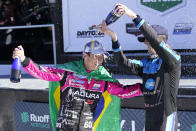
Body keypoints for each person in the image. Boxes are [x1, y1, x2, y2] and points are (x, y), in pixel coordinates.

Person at [12, 40, 143, 131]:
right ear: (85, 55)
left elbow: (123, 92)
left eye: (101, 57)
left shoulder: (102, 80)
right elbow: (43, 72)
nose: (99, 61)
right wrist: (24, 60)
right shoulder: (68, 73)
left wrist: (146, 88)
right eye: (95, 56)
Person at [98, 3, 181, 131]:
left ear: (160, 40)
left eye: (147, 40)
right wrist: (114, 38)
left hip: (166, 118)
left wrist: (132, 15)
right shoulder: (146, 63)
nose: (145, 43)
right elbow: (123, 64)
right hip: (150, 118)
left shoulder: (173, 59)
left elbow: (156, 42)